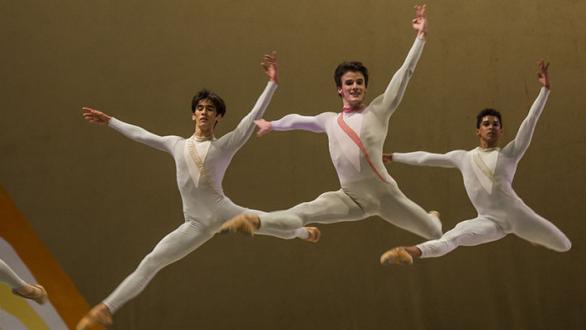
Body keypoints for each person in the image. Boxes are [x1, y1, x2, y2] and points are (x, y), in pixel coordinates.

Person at [76, 53, 320, 330]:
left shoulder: (224, 146)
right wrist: (110, 121)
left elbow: (251, 118)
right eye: (200, 108)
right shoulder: (176, 144)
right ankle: (105, 309)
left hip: (226, 213)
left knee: (274, 225)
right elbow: (142, 135)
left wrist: (272, 84)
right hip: (195, 223)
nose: (204, 112)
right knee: (152, 260)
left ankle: (303, 232)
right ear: (193, 113)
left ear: (218, 117)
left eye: (211, 109)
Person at [221, 5, 442, 246]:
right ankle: (256, 223)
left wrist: (420, 37)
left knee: (435, 233)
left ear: (365, 87)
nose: (355, 86)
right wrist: (272, 124)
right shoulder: (329, 120)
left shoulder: (378, 111)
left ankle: (433, 218)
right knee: (304, 210)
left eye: (359, 82)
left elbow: (404, 74)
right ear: (340, 88)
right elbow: (298, 120)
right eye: (349, 83)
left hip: (385, 195)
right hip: (350, 198)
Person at [380, 60, 571, 266]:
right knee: (453, 237)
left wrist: (545, 90)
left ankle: (533, 235)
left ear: (501, 130)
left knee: (563, 244)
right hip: (488, 221)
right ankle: (408, 251)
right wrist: (395, 156)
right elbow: (426, 157)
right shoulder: (463, 157)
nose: (491, 127)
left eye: (495, 124)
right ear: (478, 130)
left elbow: (530, 121)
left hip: (518, 216)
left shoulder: (510, 154)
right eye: (486, 124)